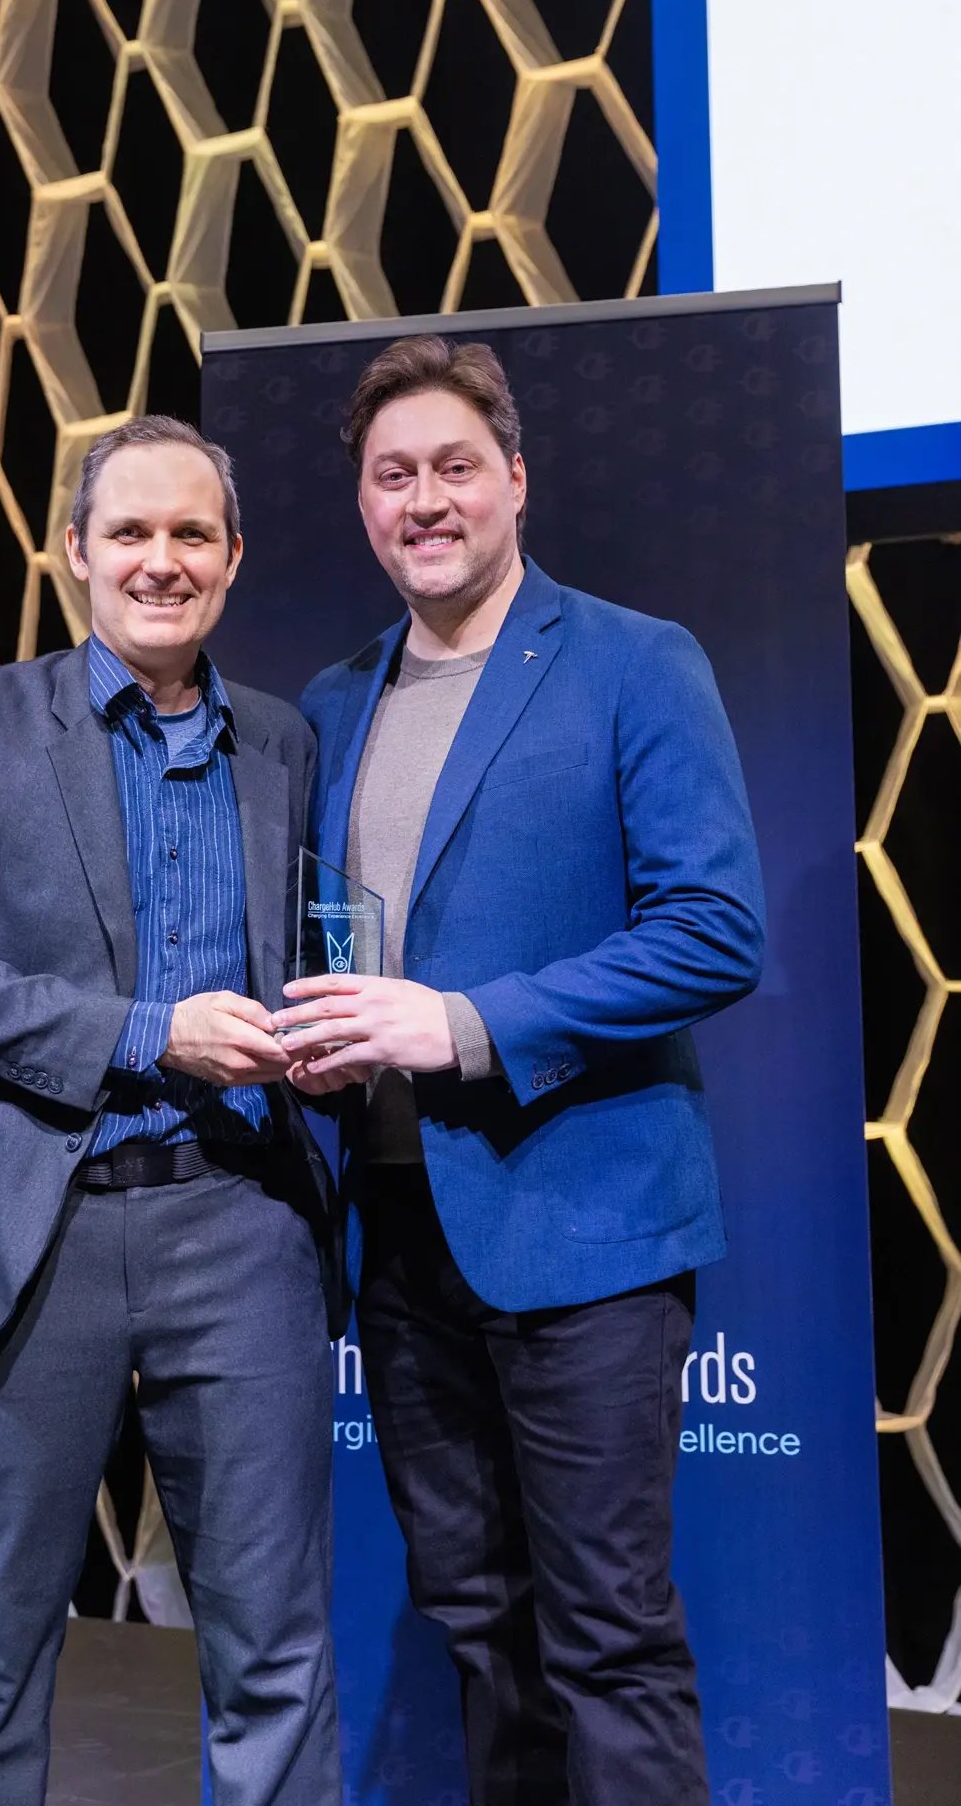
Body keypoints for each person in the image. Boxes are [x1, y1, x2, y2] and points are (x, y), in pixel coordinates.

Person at [274, 336, 765, 1806]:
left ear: (514, 482)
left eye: (450, 468)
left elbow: (712, 929)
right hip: (402, 1233)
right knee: (480, 1624)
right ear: (361, 506)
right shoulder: (330, 701)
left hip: (585, 1227)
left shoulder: (633, 659)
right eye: (390, 476)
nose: (423, 501)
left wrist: (463, 1024)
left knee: (606, 1634)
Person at [0, 415, 342, 1806]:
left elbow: (309, 952)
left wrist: (311, 1041)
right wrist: (152, 1037)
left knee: (273, 1655)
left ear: (234, 557)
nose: (161, 561)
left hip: (241, 1228)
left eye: (192, 533)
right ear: (75, 552)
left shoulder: (280, 742)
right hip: (29, 1236)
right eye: (129, 532)